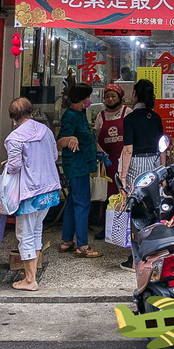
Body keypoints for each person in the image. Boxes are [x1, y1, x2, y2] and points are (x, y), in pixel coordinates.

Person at [4, 96, 61, 291]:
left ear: (13, 117)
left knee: (25, 234)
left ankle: (30, 280)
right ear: (31, 111)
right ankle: (32, 273)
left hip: (29, 192)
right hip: (49, 189)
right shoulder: (46, 131)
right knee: (37, 231)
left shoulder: (15, 138)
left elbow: (13, 167)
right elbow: (54, 156)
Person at [119, 79, 165, 270]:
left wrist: (123, 177)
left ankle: (137, 258)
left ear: (135, 95)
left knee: (137, 210)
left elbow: (128, 150)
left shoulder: (130, 119)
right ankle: (156, 253)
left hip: (137, 165)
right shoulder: (155, 118)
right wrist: (162, 173)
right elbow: (162, 147)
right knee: (154, 208)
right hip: (154, 164)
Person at [56, 83, 102, 258]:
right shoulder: (70, 116)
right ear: (80, 99)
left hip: (82, 163)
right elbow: (60, 141)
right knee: (82, 203)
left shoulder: (80, 114)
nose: (88, 101)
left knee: (73, 202)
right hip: (76, 166)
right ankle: (83, 245)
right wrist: (70, 138)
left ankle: (67, 241)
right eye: (86, 98)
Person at [92, 83, 130, 241]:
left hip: (123, 161)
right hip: (106, 162)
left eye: (113, 96)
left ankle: (122, 227)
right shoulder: (100, 116)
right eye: (107, 96)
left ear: (120, 97)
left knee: (123, 193)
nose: (110, 99)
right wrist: (100, 152)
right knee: (107, 195)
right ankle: (107, 228)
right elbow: (94, 136)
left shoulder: (128, 112)